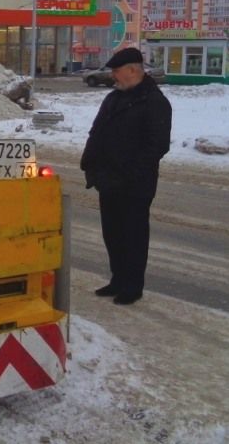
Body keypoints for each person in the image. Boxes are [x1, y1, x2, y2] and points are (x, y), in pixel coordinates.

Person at [80, 48, 172, 305]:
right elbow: (96, 132)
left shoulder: (154, 102)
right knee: (113, 233)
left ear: (133, 70)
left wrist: (128, 173)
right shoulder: (113, 99)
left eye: (117, 71)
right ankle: (118, 279)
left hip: (134, 185)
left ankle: (133, 286)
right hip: (108, 181)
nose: (113, 76)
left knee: (133, 235)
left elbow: (157, 146)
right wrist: (90, 164)